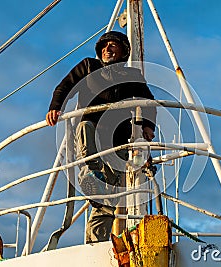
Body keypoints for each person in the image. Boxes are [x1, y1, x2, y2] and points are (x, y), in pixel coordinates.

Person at [46, 31, 156, 243]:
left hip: (118, 140)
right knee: (86, 128)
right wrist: (55, 107)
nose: (108, 49)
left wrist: (148, 126)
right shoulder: (88, 66)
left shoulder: (131, 75)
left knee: (107, 200)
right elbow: (65, 86)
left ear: (124, 50)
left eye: (113, 45)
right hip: (90, 130)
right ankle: (90, 174)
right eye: (105, 46)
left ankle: (97, 244)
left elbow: (148, 101)